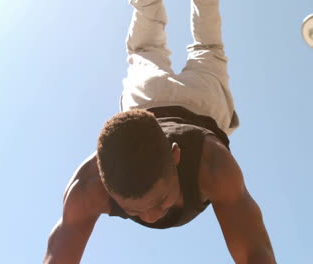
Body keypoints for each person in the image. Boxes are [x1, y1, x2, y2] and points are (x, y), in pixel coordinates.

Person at [44, 0, 276, 263]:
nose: (152, 216)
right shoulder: (90, 187)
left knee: (207, 48)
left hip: (200, 104)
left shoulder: (213, 166)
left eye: (160, 201)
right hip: (152, 97)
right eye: (134, 211)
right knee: (146, 50)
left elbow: (256, 254)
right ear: (104, 184)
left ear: (176, 155)